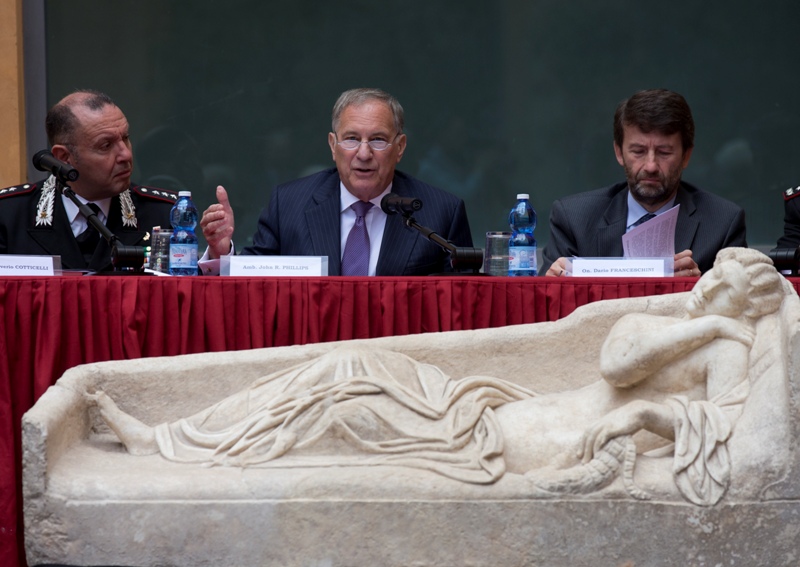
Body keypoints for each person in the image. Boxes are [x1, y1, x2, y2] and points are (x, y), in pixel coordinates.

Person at [87, 248, 789, 506]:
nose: (704, 292)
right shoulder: (680, 327)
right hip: (485, 410)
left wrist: (644, 417)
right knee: (343, 364)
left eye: (723, 290)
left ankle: (168, 445)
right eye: (710, 280)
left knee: (341, 397)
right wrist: (709, 321)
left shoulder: (731, 349)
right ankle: (179, 436)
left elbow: (722, 437)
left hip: (498, 446)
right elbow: (616, 360)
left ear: (748, 303)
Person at [199, 88, 474, 276]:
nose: (363, 154)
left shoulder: (442, 213)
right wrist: (221, 251)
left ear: (400, 147)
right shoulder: (289, 204)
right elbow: (251, 279)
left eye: (377, 140)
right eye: (351, 139)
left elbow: (461, 307)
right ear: (333, 146)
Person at [540, 89, 747, 277]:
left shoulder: (723, 223)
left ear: (686, 155)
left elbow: (741, 307)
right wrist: (550, 286)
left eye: (664, 152)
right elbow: (543, 309)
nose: (650, 165)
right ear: (619, 153)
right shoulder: (574, 218)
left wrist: (700, 286)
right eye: (638, 151)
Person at [0, 90, 177, 271]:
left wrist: (209, 255)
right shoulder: (9, 216)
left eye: (125, 138)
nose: (126, 154)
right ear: (64, 157)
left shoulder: (164, 214)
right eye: (105, 145)